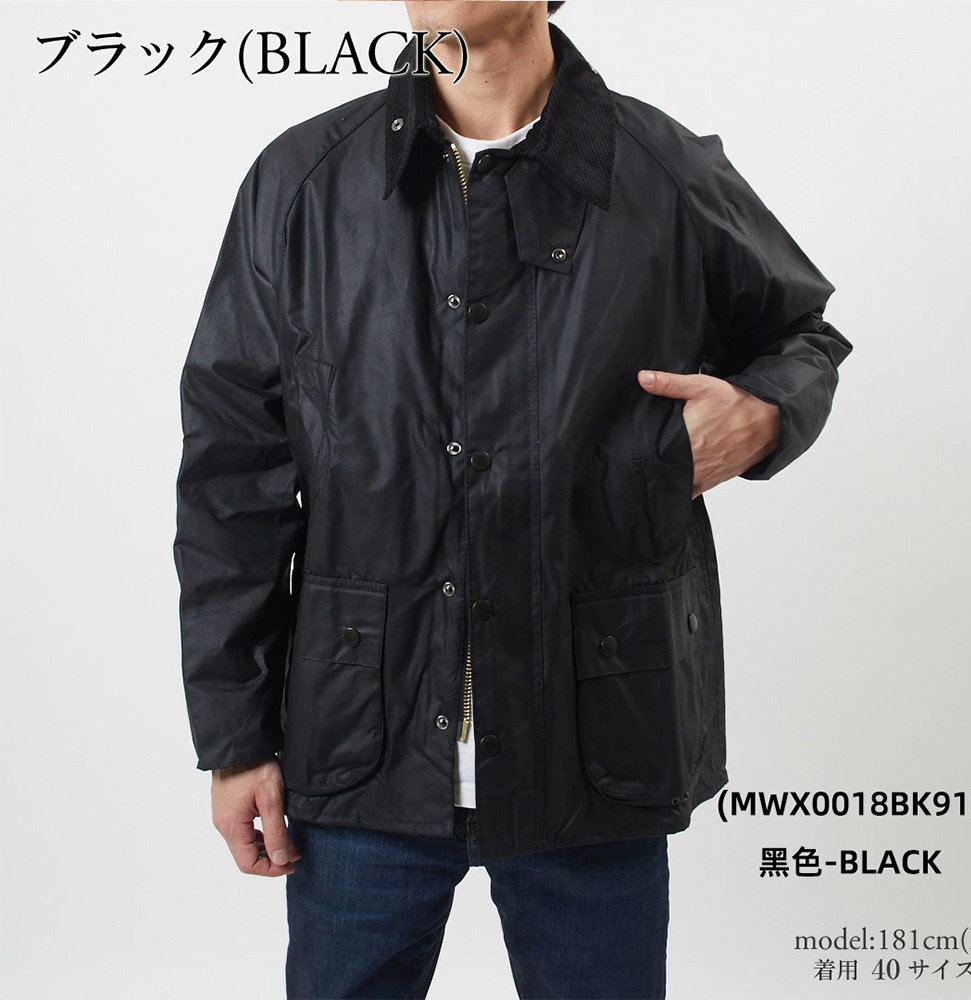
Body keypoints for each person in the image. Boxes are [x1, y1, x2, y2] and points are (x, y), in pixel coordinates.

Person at [173, 2, 852, 997]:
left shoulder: (658, 169)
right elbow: (232, 477)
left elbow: (802, 334)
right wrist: (236, 740)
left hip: (595, 742)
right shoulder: (306, 182)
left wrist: (765, 413)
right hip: (359, 750)